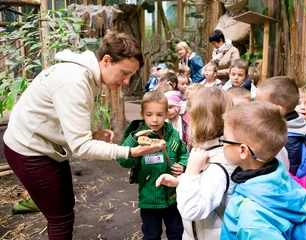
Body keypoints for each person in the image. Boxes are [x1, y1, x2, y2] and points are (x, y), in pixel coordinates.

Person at [3, 32, 166, 240]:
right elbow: (81, 147)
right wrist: (131, 151)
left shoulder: (86, 75)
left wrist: (92, 133)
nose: (126, 81)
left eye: (131, 75)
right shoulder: (76, 81)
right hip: (28, 148)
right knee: (60, 217)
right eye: (125, 73)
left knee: (64, 207)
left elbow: (64, 120)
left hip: (45, 145)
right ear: (107, 61)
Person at [220, 101, 306, 239]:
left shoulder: (252, 218)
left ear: (243, 151)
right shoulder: (279, 175)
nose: (223, 143)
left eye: (225, 139)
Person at [156, 87, 235, 240]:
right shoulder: (212, 150)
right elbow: (207, 189)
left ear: (202, 121)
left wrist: (191, 171)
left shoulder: (217, 164)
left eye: (191, 117)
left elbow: (191, 210)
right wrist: (180, 182)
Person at [117, 90, 188, 240]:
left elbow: (184, 153)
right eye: (149, 115)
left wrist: (182, 164)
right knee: (151, 235)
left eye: (160, 115)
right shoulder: (139, 137)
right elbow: (124, 161)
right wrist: (134, 139)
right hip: (150, 199)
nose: (154, 120)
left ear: (166, 115)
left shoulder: (173, 135)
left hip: (173, 197)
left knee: (176, 232)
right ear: (142, 114)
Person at [256, 76, 306, 173]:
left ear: (278, 110)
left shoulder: (281, 139)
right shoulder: (304, 127)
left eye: (259, 104)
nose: (256, 107)